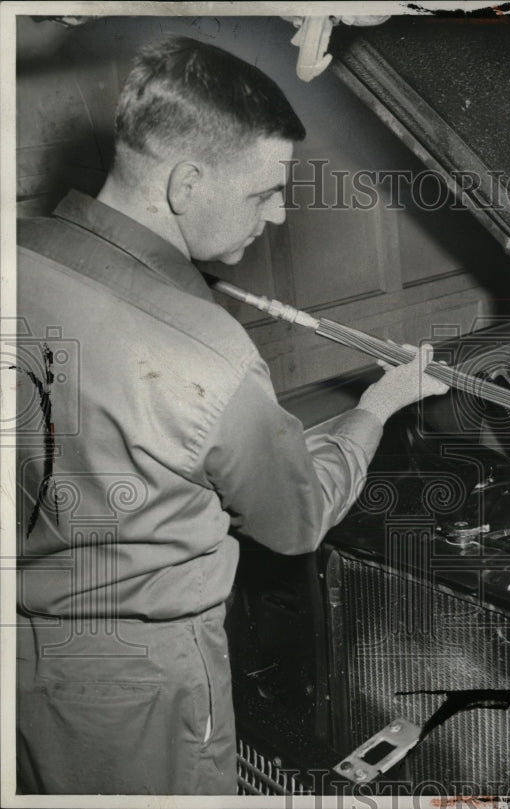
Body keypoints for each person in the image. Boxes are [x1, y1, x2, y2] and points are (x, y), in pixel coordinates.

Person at [15, 35, 447, 795]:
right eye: (263, 191)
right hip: (139, 685)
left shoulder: (22, 253)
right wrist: (376, 406)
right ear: (185, 182)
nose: (279, 214)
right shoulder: (209, 351)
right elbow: (296, 519)